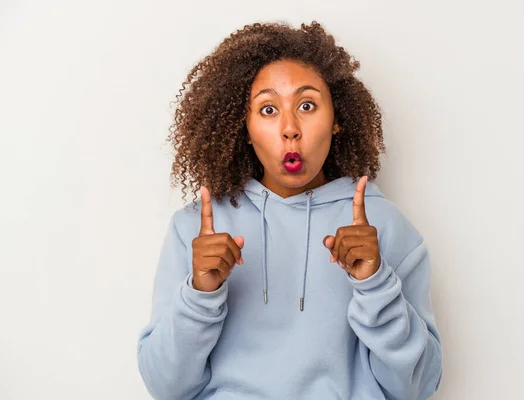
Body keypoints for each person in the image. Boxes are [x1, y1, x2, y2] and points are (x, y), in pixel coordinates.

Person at [137, 21, 442, 400]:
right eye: (268, 109)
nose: (290, 128)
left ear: (337, 121)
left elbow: (416, 387)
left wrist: (375, 284)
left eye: (307, 105)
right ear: (245, 128)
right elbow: (165, 387)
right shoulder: (197, 232)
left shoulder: (384, 229)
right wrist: (200, 294)